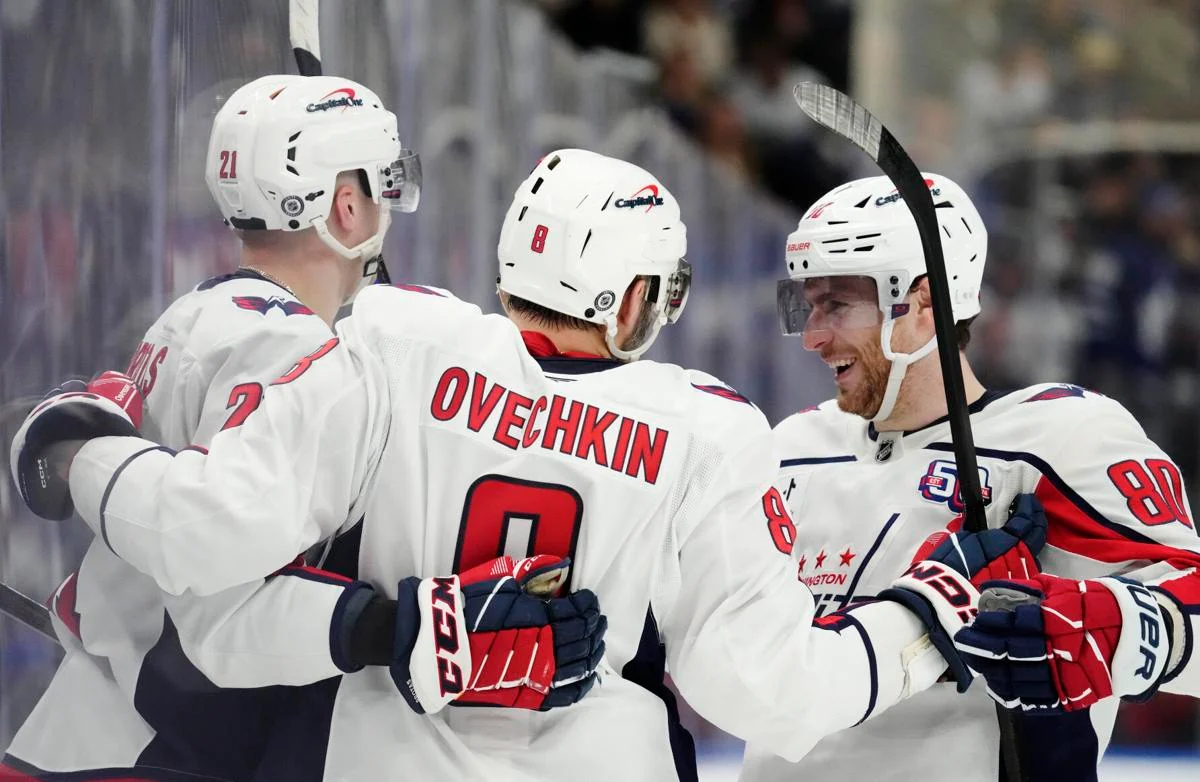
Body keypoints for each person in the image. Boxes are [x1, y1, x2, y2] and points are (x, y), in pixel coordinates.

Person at [8, 149, 1036, 781]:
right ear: (636, 298)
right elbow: (777, 696)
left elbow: (213, 562)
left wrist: (79, 449)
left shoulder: (393, 342)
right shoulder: (709, 424)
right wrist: (925, 611)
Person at [2, 74, 602, 781]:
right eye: (382, 185)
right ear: (345, 207)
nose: (388, 207)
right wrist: (413, 630)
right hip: (152, 755)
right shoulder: (304, 359)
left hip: (82, 737)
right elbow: (214, 594)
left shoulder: (196, 316)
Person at [743, 172, 1200, 782]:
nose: (813, 336)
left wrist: (1115, 623)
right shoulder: (790, 447)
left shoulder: (1057, 440)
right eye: (806, 303)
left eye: (837, 305)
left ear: (926, 302)